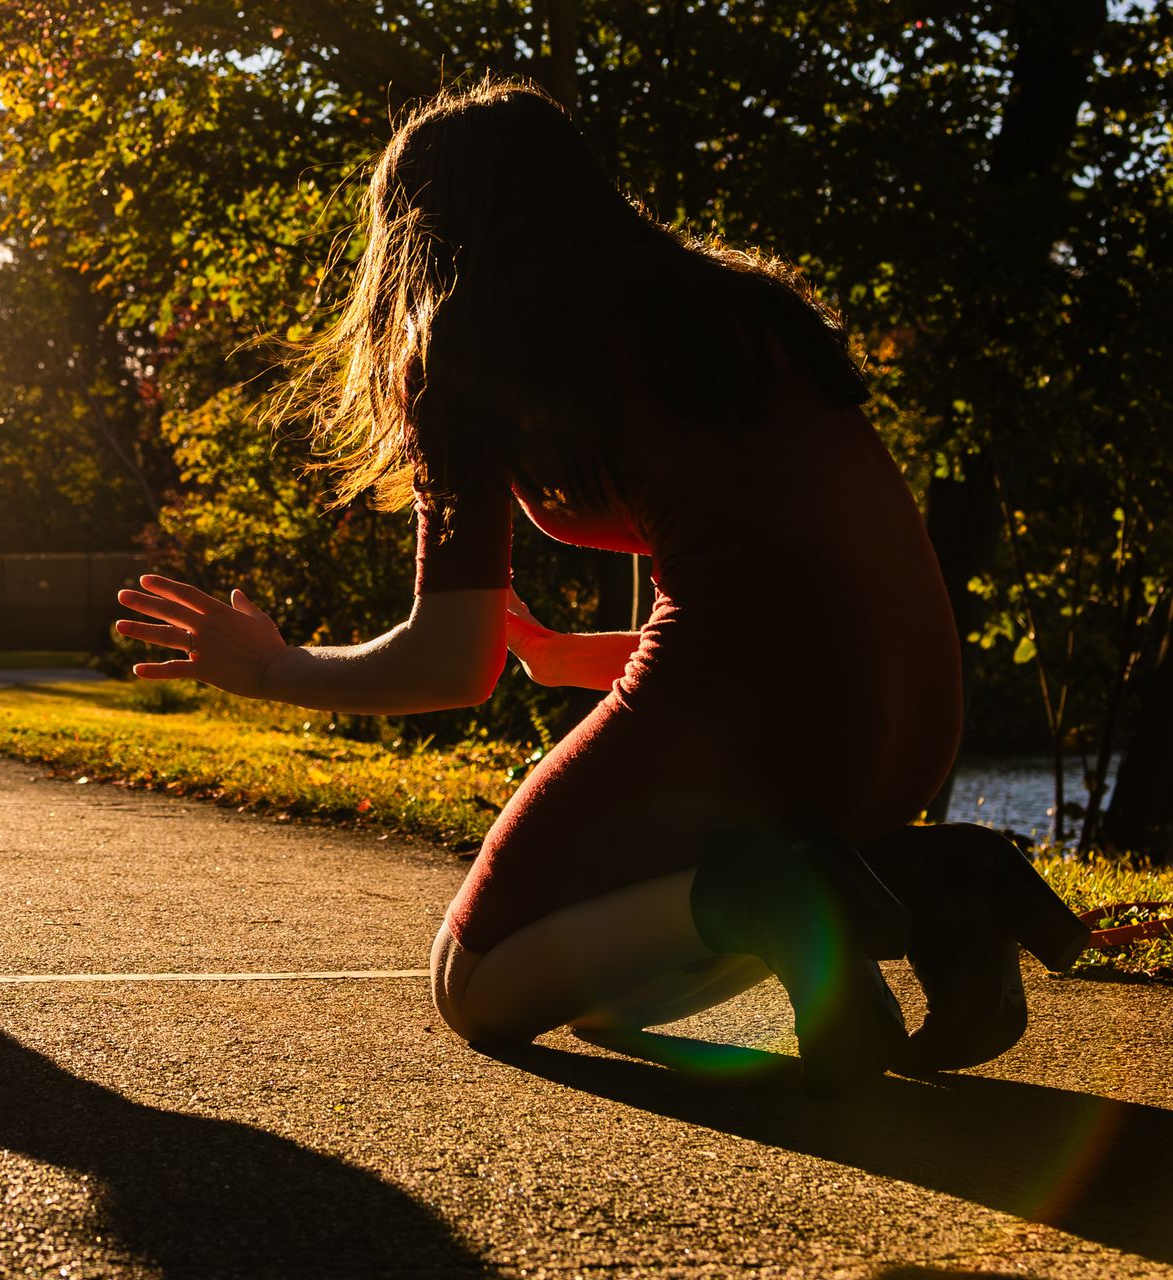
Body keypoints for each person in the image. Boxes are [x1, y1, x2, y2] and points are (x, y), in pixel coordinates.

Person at [115, 80, 1086, 1094]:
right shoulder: (741, 307)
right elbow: (796, 600)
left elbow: (449, 667)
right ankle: (933, 879)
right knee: (606, 988)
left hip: (767, 732)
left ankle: (785, 890)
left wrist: (271, 669)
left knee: (477, 984)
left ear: (416, 238)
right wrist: (562, 656)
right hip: (913, 722)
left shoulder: (467, 347)